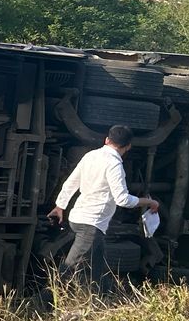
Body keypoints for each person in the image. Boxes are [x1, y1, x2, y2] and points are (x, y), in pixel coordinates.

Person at [46, 124, 160, 291]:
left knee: (97, 270)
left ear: (107, 140)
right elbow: (122, 200)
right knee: (67, 272)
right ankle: (43, 302)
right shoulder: (114, 165)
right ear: (128, 146)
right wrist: (149, 202)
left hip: (78, 218)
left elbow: (71, 183)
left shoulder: (90, 156)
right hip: (91, 224)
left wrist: (60, 206)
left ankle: (101, 299)